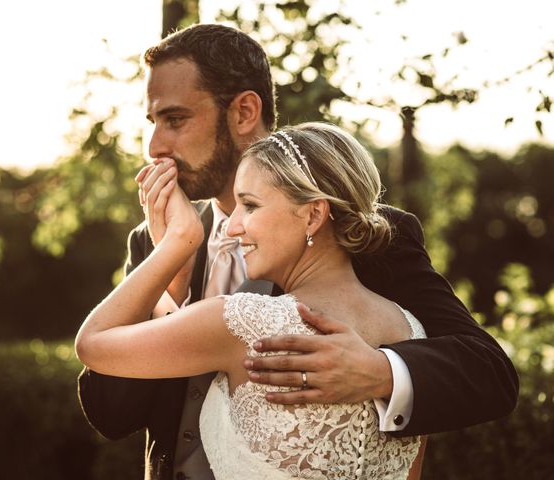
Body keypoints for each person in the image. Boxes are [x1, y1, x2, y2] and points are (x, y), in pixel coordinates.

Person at [77, 24, 518, 480]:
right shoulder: (154, 240)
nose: (155, 148)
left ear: (245, 111)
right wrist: (169, 275)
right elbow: (112, 416)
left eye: (175, 119)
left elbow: (488, 373)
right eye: (152, 124)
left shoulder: (367, 231)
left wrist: (380, 371)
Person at [77, 121, 429, 479]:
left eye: (250, 205)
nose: (233, 227)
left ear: (313, 215)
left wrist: (176, 242)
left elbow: (92, 344)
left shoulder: (243, 323)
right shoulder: (411, 334)